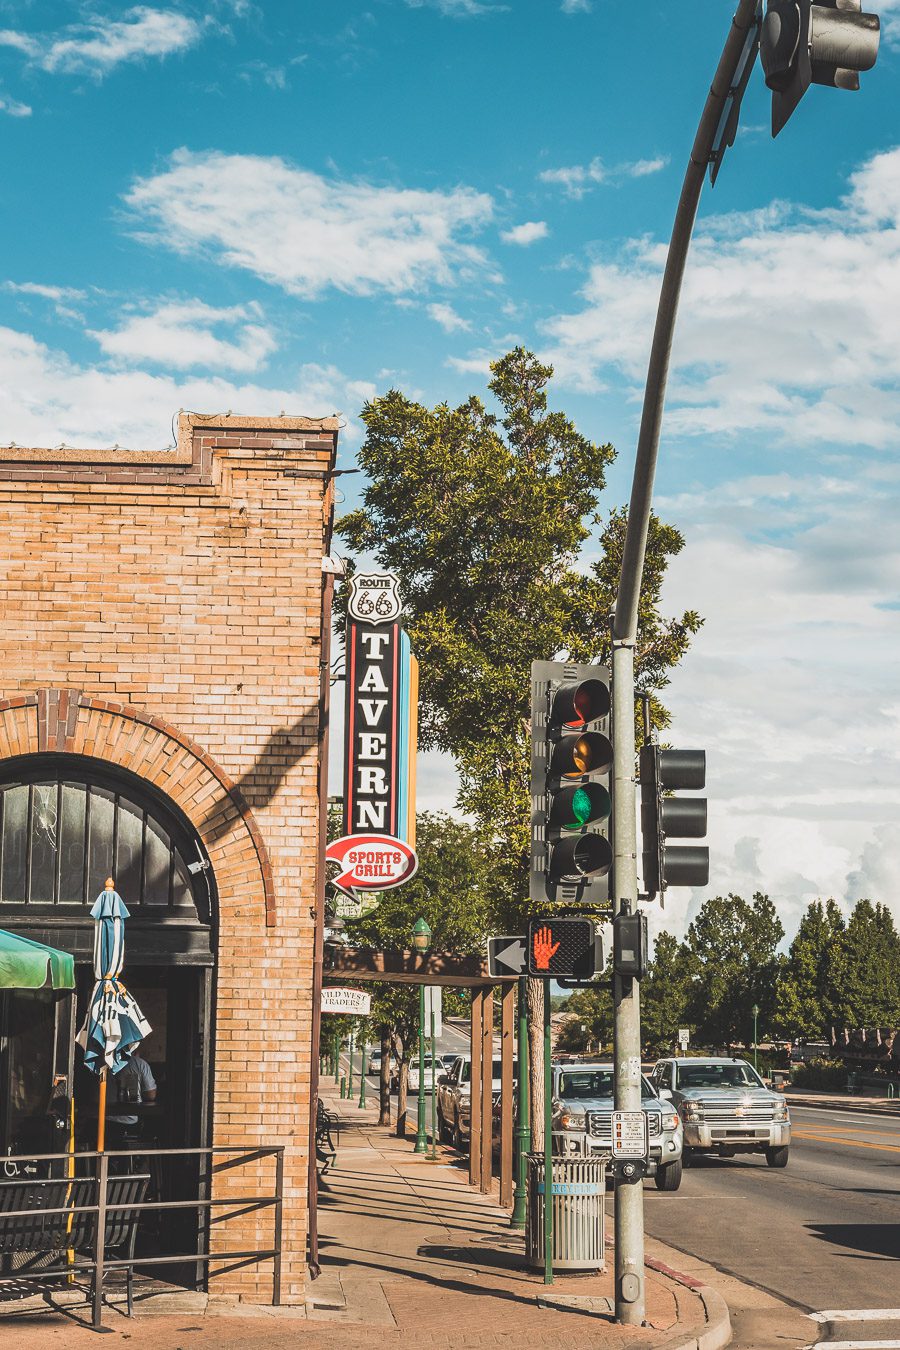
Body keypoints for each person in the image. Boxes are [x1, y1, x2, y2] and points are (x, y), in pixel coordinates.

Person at [106, 1053, 157, 1145]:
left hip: (100, 1119)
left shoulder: (100, 1061)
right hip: (128, 1121)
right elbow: (151, 1095)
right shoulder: (138, 1063)